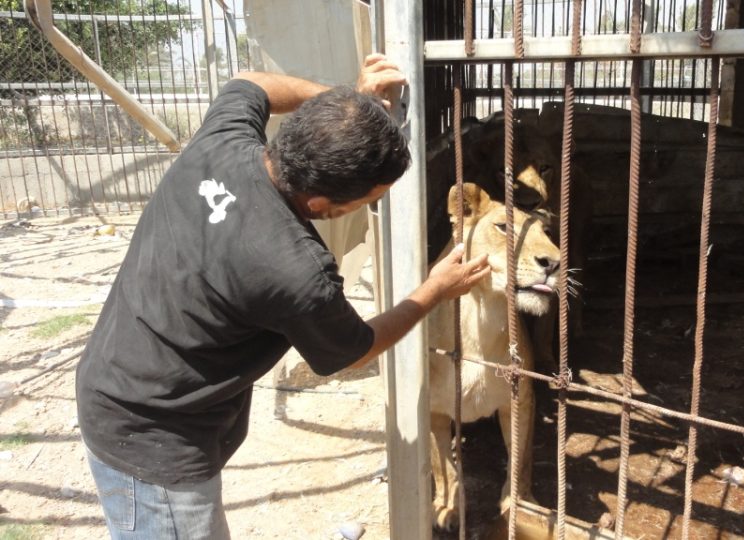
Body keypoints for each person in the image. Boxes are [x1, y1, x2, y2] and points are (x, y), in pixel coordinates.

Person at [75, 54, 490, 539]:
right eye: (370, 202)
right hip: (154, 437)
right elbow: (355, 351)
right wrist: (435, 289)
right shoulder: (296, 270)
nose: (372, 208)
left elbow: (249, 81)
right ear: (323, 207)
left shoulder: (221, 144)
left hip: (116, 380)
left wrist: (348, 105)